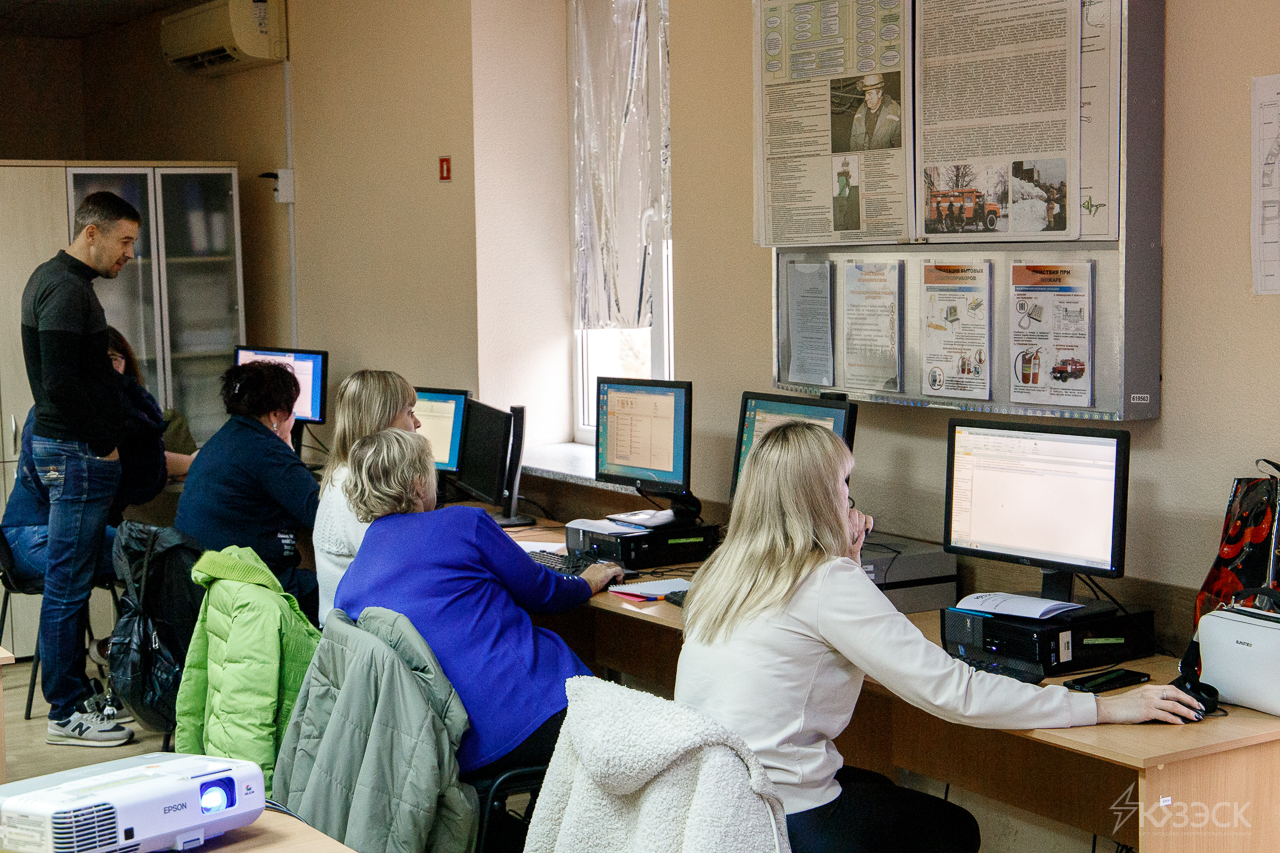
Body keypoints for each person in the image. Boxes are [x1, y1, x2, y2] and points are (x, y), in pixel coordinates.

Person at [674, 422, 1203, 853]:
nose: (852, 501)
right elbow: (955, 692)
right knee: (953, 830)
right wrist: (1103, 707)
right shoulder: (825, 580)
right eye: (844, 486)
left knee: (879, 791)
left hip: (722, 807)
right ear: (818, 500)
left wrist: (846, 563)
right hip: (783, 816)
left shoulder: (725, 571)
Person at [334, 429, 623, 781]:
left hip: (441, 751)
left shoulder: (349, 587)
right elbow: (543, 592)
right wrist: (587, 581)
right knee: (625, 724)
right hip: (523, 718)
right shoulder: (463, 523)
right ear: (418, 485)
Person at [20, 190, 136, 746]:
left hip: (68, 450)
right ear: (93, 233)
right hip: (76, 453)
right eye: (124, 241)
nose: (129, 253)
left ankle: (74, 697)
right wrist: (104, 442)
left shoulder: (56, 280)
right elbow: (60, 384)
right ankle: (65, 711)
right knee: (67, 586)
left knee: (70, 581)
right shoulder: (66, 290)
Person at [175, 360, 322, 623]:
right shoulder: (267, 452)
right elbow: (321, 515)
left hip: (202, 585)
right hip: (252, 589)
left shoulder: (220, 441)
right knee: (338, 595)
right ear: (276, 414)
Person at [313, 370, 420, 624]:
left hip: (360, 629)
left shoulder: (346, 474)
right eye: (409, 412)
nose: (417, 423)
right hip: (358, 637)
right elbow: (403, 570)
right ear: (383, 421)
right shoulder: (355, 488)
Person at [848, 74, 901, 151]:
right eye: (865, 94)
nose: (866, 98)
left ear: (879, 93)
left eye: (870, 94)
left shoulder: (894, 111)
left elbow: (899, 144)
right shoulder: (861, 110)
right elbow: (853, 139)